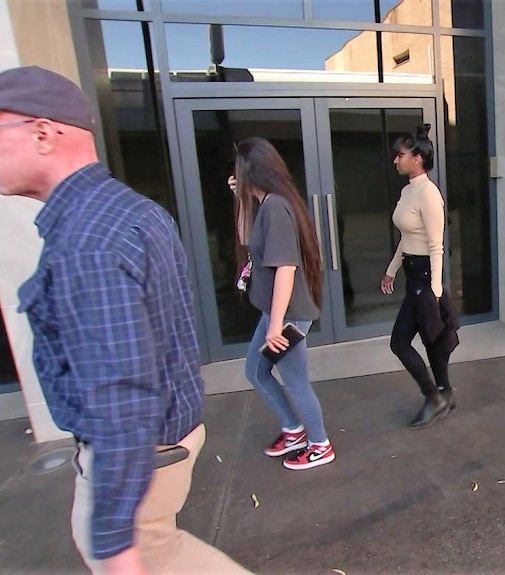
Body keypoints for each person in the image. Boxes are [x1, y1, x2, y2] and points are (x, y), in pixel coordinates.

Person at [1, 66, 248, 574]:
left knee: (153, 557)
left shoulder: (88, 240)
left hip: (140, 447)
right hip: (162, 438)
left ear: (43, 133)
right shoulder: (132, 211)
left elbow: (120, 392)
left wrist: (114, 538)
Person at [229, 137, 334, 470]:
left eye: (237, 166)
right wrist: (241, 198)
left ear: (251, 169)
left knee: (294, 378)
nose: (234, 172)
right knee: (256, 371)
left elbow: (286, 268)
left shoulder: (276, 207)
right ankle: (294, 429)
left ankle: (320, 444)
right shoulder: (265, 203)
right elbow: (247, 238)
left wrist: (275, 325)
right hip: (275, 311)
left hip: (287, 316)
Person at [381, 124, 459, 429]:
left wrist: (436, 290)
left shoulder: (429, 193)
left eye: (399, 155)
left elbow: (436, 244)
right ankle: (445, 393)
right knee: (431, 340)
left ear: (416, 159)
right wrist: (391, 270)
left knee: (400, 342)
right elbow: (407, 237)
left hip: (426, 278)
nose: (395, 160)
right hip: (414, 275)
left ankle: (433, 396)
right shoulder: (407, 191)